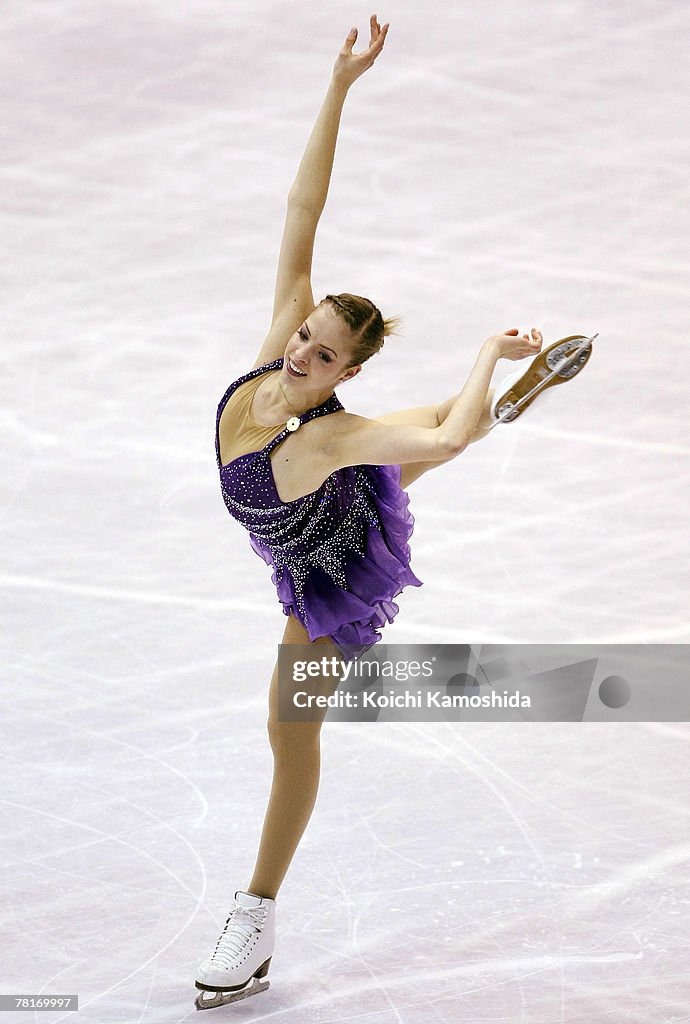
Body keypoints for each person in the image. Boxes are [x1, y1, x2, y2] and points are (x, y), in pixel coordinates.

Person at [194, 15, 592, 1010]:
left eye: (324, 358)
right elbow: (302, 206)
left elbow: (440, 448)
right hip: (302, 509)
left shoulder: (329, 431)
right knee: (412, 439)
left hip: (328, 554)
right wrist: (340, 86)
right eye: (305, 338)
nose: (300, 357)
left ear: (346, 373)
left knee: (291, 725)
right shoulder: (277, 344)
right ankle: (510, 392)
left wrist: (479, 356)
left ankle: (256, 914)